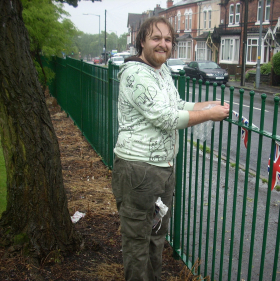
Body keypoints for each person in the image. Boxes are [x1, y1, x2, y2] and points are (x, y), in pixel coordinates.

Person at [111, 16, 229, 281]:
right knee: (137, 240)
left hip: (163, 170)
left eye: (167, 39)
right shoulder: (135, 74)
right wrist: (209, 114)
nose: (163, 44)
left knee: (156, 236)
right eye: (156, 38)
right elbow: (167, 118)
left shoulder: (161, 70)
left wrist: (206, 105)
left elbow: (176, 105)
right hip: (137, 170)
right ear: (142, 41)